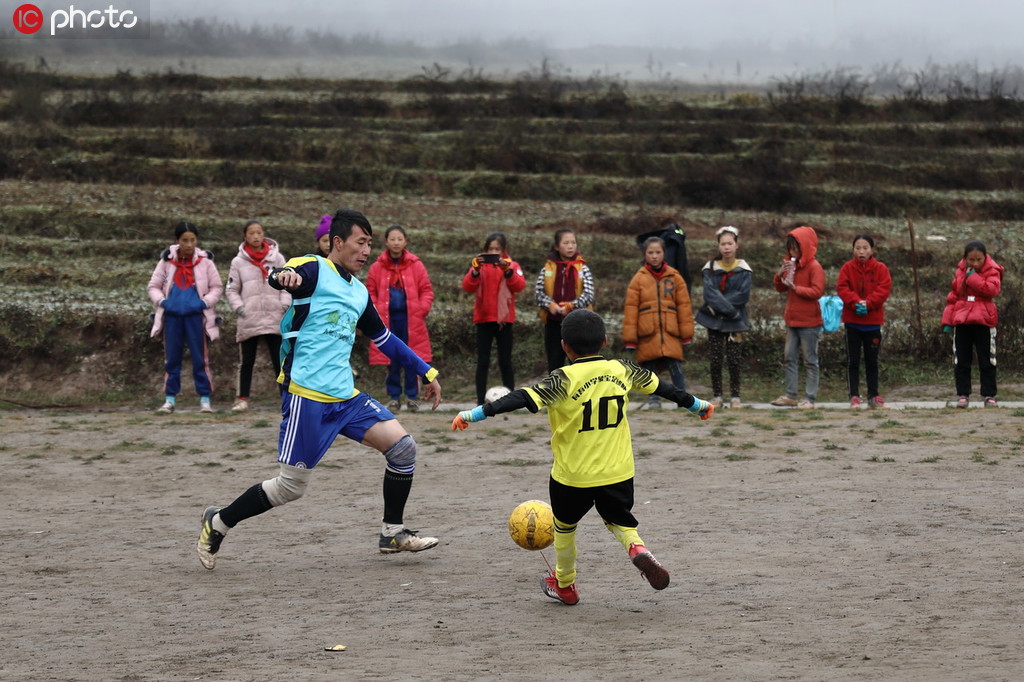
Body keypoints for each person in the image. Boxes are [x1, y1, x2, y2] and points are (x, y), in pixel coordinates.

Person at [196, 208, 443, 570]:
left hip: (346, 397)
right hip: (307, 396)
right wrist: (285, 278)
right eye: (361, 243)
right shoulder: (313, 268)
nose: (366, 251)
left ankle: (392, 532)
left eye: (370, 244)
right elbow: (280, 274)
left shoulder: (358, 292)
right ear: (338, 242)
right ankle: (218, 521)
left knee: (403, 449)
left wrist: (425, 370)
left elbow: (384, 338)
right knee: (290, 487)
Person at [451, 309, 714, 605]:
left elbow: (522, 397)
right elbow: (664, 388)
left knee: (564, 528)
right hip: (617, 471)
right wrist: (697, 404)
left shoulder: (562, 379)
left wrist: (476, 413)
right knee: (620, 522)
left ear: (564, 345)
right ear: (604, 341)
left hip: (572, 476)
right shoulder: (622, 369)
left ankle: (565, 585)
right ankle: (638, 549)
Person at [147, 221, 223, 413]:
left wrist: (204, 303)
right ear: (177, 241)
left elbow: (216, 287)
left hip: (196, 318)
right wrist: (163, 302)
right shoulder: (166, 262)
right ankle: (170, 399)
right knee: (172, 358)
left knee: (200, 358)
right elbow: (153, 286)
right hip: (172, 317)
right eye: (185, 240)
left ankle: (205, 399)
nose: (189, 244)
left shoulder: (206, 262)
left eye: (192, 240)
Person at [365, 225, 434, 412]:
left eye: (399, 239)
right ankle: (394, 397)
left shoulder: (416, 265)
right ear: (386, 241)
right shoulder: (377, 267)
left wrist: (422, 309)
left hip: (411, 320)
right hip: (387, 321)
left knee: (412, 359)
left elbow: (426, 290)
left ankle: (412, 397)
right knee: (391, 360)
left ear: (406, 241)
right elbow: (369, 291)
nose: (396, 242)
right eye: (392, 239)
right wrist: (376, 311)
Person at [225, 220, 291, 412]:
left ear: (264, 235)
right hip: (249, 318)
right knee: (246, 362)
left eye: (259, 232)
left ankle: (286, 399)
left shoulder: (277, 259)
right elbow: (231, 289)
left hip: (274, 317)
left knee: (280, 361)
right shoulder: (237, 262)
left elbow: (287, 283)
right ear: (245, 236)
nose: (255, 236)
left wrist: (284, 304)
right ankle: (242, 399)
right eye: (251, 233)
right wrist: (239, 307)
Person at [622, 236, 694, 411]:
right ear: (645, 254)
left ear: (664, 253)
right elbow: (631, 309)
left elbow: (684, 306)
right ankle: (654, 399)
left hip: (671, 332)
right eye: (650, 252)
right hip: (647, 332)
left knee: (675, 365)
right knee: (650, 368)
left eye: (658, 252)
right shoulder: (638, 279)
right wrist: (630, 339)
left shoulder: (675, 277)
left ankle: (682, 398)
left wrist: (686, 334)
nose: (654, 256)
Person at [461, 232, 527, 406]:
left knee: (505, 361)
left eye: (497, 249)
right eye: (490, 249)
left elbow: (519, 285)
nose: (493, 252)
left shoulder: (512, 265)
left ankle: (511, 399)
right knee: (483, 361)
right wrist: (474, 271)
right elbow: (467, 286)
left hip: (505, 320)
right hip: (483, 319)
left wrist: (508, 271)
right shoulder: (479, 266)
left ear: (504, 250)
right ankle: (480, 400)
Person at [695, 226, 752, 409]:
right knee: (716, 358)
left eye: (730, 243)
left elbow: (743, 296)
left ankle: (735, 397)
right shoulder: (710, 268)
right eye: (723, 244)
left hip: (735, 321)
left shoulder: (744, 270)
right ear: (718, 246)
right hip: (714, 320)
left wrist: (723, 307)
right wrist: (728, 308)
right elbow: (709, 295)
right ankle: (717, 396)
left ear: (736, 245)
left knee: (734, 359)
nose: (726, 247)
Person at [941, 240, 1003, 408]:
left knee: (987, 360)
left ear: (985, 258)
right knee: (961, 360)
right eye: (971, 260)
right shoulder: (960, 271)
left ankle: (989, 395)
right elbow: (954, 296)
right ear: (965, 258)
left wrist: (972, 277)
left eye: (979, 260)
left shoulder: (993, 271)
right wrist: (948, 320)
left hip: (984, 321)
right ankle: (963, 394)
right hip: (962, 321)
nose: (975, 263)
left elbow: (992, 290)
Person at [770, 226, 825, 409]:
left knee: (810, 360)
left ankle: (810, 398)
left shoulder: (814, 267)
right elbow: (780, 288)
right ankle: (790, 395)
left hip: (809, 322)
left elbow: (817, 291)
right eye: (790, 248)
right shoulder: (789, 265)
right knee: (789, 357)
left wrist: (796, 289)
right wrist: (779, 274)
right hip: (792, 320)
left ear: (805, 247)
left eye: (796, 247)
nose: (793, 252)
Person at [836, 234, 892, 409]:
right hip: (852, 322)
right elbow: (842, 288)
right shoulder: (847, 268)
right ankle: (854, 395)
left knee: (872, 360)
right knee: (853, 360)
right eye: (858, 248)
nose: (861, 252)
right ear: (853, 249)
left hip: (873, 323)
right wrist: (855, 303)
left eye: (865, 248)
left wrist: (868, 303)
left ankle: (873, 395)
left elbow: (884, 289)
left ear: (872, 250)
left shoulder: (881, 268)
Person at [534, 228, 595, 372]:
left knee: (580, 365)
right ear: (557, 246)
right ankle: (555, 393)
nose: (570, 246)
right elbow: (538, 293)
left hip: (578, 324)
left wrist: (572, 305)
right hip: (553, 323)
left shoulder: (582, 268)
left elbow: (589, 294)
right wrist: (550, 305)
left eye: (573, 243)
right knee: (554, 363)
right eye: (566, 243)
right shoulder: (547, 268)